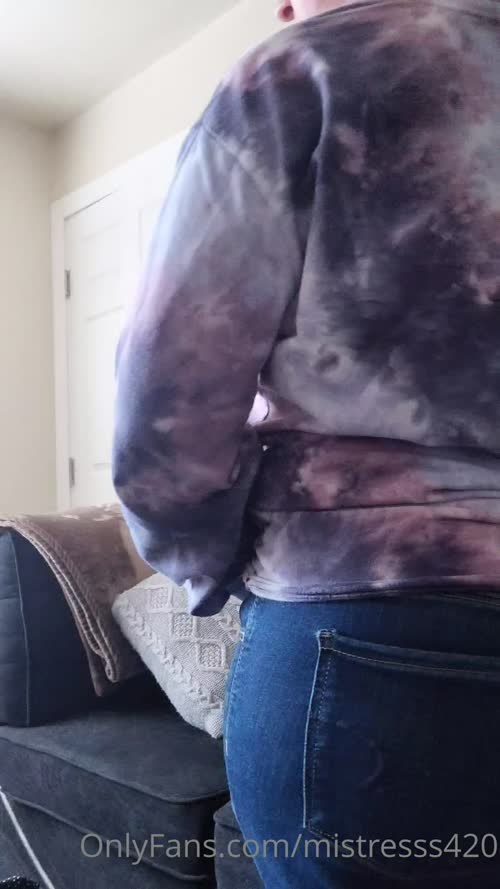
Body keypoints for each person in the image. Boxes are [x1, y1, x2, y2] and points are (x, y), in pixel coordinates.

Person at [112, 0, 500, 885]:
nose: (281, 6)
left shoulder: (302, 68)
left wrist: (213, 564)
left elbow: (165, 408)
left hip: (361, 632)